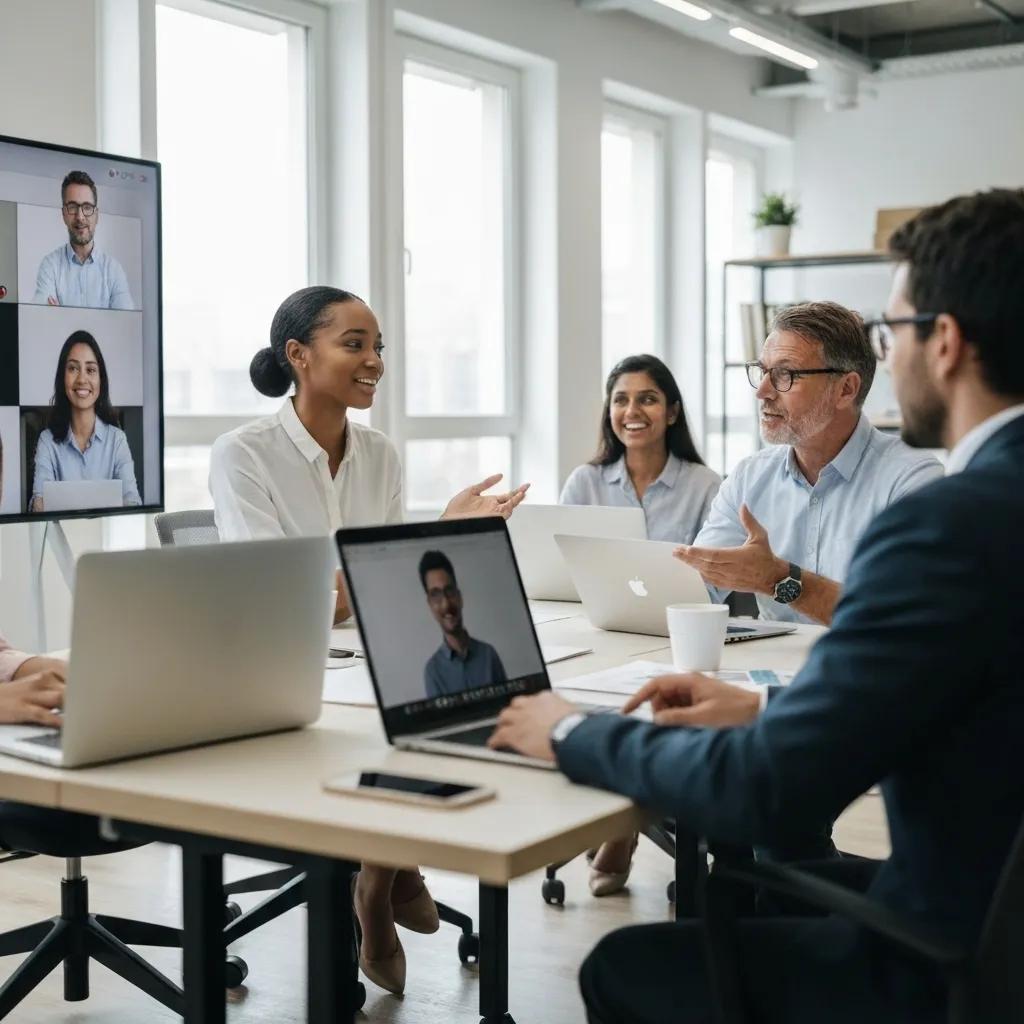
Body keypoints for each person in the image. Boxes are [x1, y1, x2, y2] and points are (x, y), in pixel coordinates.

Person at [488, 188, 1024, 1024]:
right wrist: (764, 702)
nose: (766, 390)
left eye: (898, 331)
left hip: (949, 954)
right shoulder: (980, 505)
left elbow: (766, 788)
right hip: (992, 899)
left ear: (945, 342)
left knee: (624, 964)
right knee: (739, 892)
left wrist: (568, 730)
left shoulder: (943, 516)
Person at [209, 285, 528, 996]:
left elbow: (382, 591)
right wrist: (399, 559)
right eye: (355, 344)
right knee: (403, 714)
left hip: (360, 654)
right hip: (280, 667)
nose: (375, 361)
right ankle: (388, 873)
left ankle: (375, 883)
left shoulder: (380, 452)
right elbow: (281, 603)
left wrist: (423, 546)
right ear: (299, 355)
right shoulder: (244, 455)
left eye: (379, 346)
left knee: (452, 691)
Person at [676, 301, 942, 626]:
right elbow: (696, 590)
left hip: (868, 670)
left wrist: (778, 579)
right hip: (763, 672)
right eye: (762, 372)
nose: (762, 391)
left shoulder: (912, 479)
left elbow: (899, 617)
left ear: (846, 389)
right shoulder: (750, 477)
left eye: (785, 374)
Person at [560, 354, 720, 545]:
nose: (631, 411)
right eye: (620, 400)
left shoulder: (705, 486)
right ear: (609, 412)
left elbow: (715, 568)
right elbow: (560, 562)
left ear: (672, 413)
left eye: (648, 400)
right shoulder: (584, 484)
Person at [31, 330, 141, 512]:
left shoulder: (117, 440)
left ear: (101, 380)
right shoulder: (47, 441)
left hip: (107, 538)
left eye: (90, 370)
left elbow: (132, 503)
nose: (82, 379)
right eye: (73, 368)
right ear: (62, 377)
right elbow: (39, 504)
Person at [33, 171, 134, 310]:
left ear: (96, 215)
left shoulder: (114, 270)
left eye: (87, 207)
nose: (80, 217)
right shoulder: (50, 266)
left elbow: (125, 325)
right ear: (63, 214)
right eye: (73, 207)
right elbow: (42, 319)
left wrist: (60, 317)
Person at [419, 550, 507, 699]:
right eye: (436, 595)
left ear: (460, 597)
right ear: (430, 605)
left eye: (449, 591)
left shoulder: (489, 654)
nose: (446, 603)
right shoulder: (433, 671)